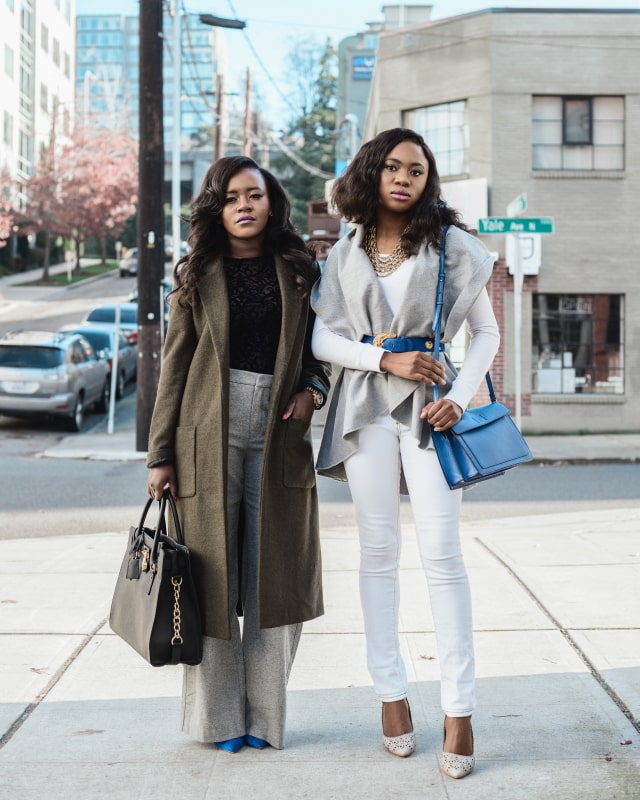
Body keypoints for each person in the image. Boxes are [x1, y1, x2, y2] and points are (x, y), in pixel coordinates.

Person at [310, 128, 500, 778]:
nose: (403, 177)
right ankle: (390, 695)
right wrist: (383, 356)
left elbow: (486, 333)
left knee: (443, 555)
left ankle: (459, 709)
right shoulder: (348, 247)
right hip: (365, 408)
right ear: (372, 173)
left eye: (416, 169)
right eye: (392, 166)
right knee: (377, 554)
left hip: (431, 409)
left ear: (428, 180)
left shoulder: (454, 245)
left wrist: (462, 394)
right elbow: (323, 339)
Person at [146, 155, 330, 753]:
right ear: (216, 209)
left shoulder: (302, 273)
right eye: (230, 197)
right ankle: (219, 722)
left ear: (271, 202)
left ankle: (265, 721)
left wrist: (313, 390)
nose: (244, 205)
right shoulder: (198, 276)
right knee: (213, 581)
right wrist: (160, 456)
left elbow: (322, 349)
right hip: (206, 433)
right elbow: (174, 369)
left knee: (271, 580)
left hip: (280, 432)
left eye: (253, 194)